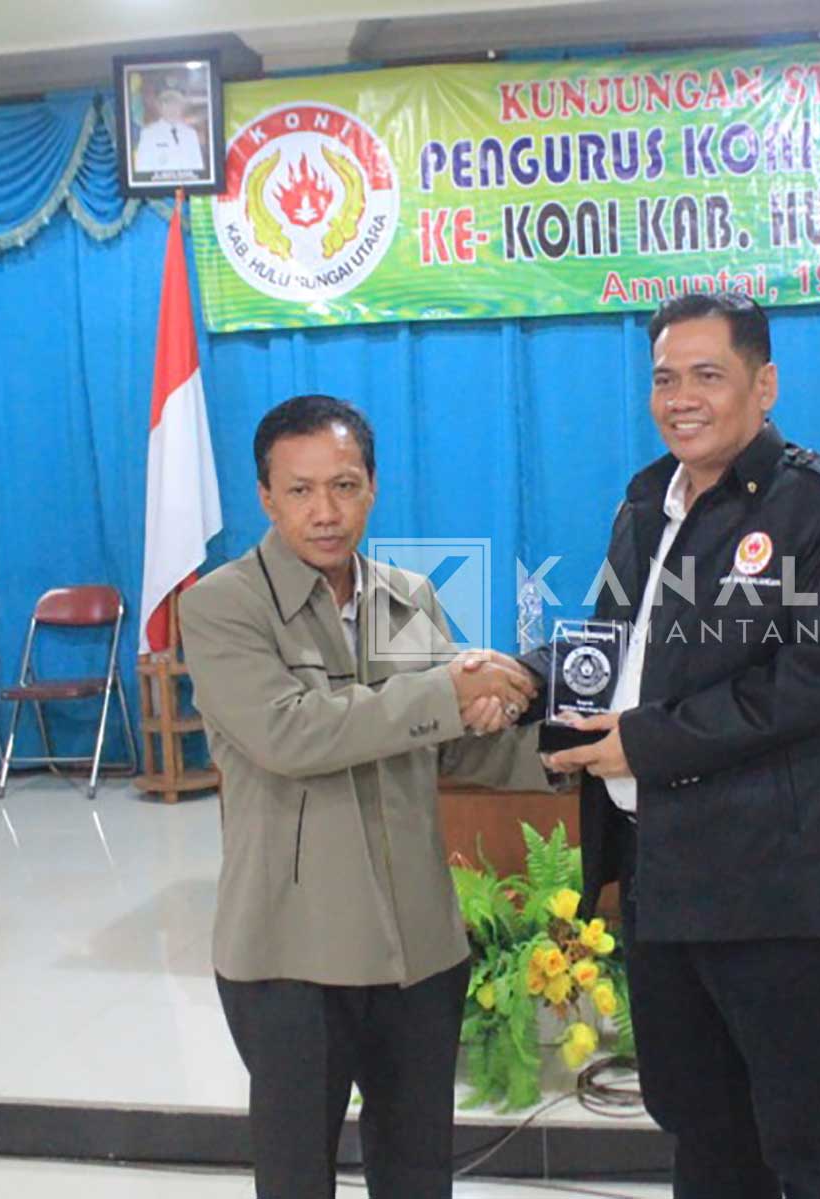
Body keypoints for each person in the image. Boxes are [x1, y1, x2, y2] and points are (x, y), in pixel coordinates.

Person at [528, 294, 820, 1197]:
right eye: (664, 378)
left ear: (764, 386)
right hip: (660, 872)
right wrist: (524, 677)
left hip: (775, 882)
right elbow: (616, 645)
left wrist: (648, 743)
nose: (680, 398)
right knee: (699, 1122)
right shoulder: (646, 501)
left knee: (813, 1135)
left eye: (706, 375)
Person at [180, 394, 546, 1199]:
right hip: (290, 954)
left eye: (344, 485)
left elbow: (454, 740)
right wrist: (448, 691)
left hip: (420, 947)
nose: (325, 511)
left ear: (372, 487)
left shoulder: (407, 596)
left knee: (418, 1170)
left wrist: (579, 746)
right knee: (296, 1175)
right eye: (300, 489)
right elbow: (291, 733)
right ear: (265, 496)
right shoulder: (221, 606)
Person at [133, 84, 205, 175]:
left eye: (176, 103)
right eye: (167, 103)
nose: (172, 108)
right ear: (160, 107)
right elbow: (142, 169)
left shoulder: (191, 134)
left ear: (182, 107)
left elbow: (198, 168)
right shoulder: (148, 134)